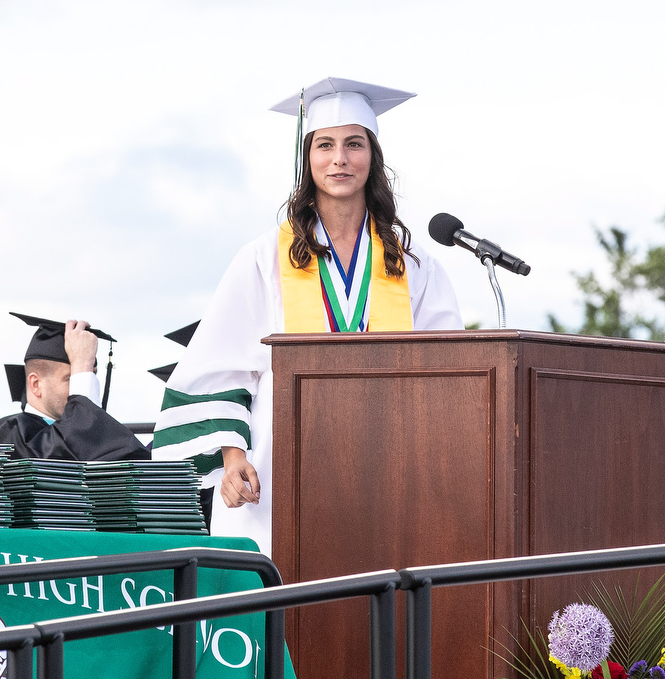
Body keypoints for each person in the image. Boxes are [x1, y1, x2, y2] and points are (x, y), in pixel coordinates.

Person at [153, 77, 463, 555]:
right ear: (308, 158)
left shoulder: (412, 262)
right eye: (325, 145)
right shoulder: (264, 259)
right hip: (278, 470)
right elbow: (219, 366)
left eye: (354, 144)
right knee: (281, 600)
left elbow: (449, 370)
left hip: (389, 464)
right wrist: (232, 455)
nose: (339, 159)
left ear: (373, 157)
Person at [0, 313, 151, 461]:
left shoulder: (107, 433)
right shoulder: (8, 436)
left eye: (89, 376)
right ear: (36, 384)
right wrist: (82, 363)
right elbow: (70, 451)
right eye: (72, 377)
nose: (84, 383)